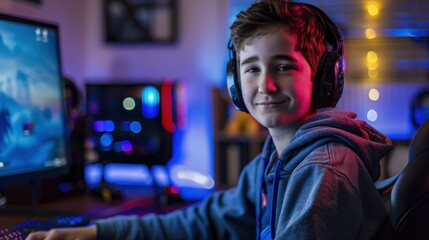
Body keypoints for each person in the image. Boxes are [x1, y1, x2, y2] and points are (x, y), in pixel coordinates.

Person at [26, 1, 393, 239]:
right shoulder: (277, 157)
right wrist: (96, 234)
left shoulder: (323, 172)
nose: (264, 84)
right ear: (235, 83)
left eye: (283, 66)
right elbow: (205, 221)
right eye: (251, 68)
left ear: (324, 77)